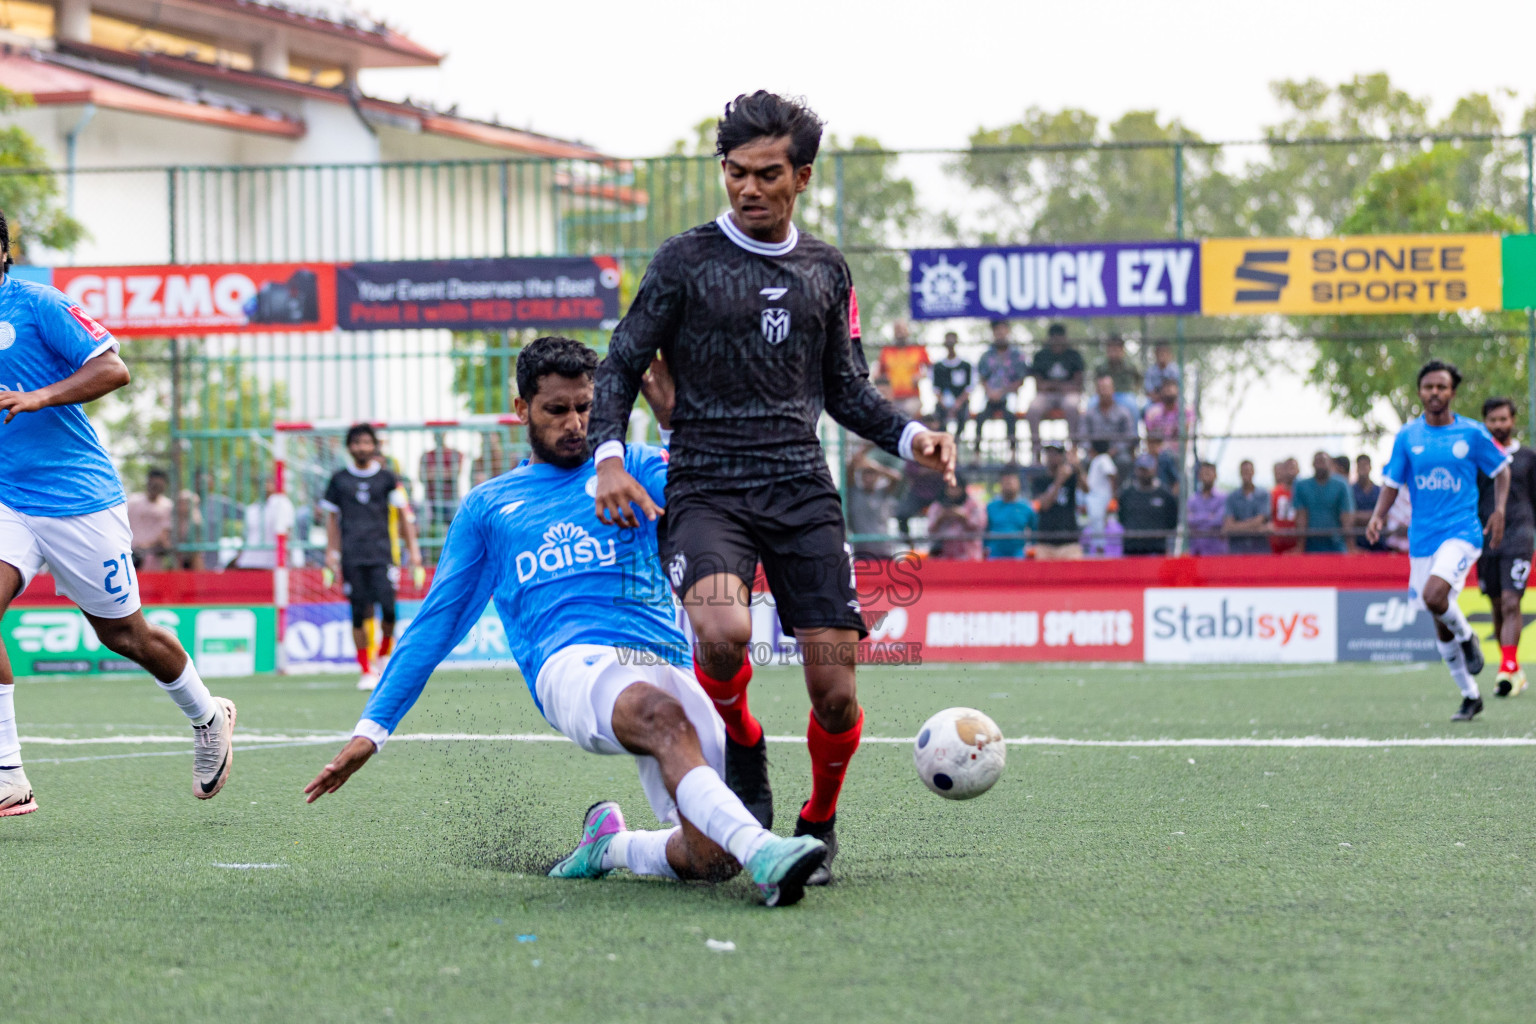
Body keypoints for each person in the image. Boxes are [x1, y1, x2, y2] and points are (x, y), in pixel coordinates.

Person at [304, 337, 829, 907]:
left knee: (711, 859)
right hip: (569, 664)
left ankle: (612, 846)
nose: (576, 423)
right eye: (557, 409)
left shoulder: (635, 467)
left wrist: (674, 429)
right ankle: (765, 852)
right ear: (521, 408)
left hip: (661, 658)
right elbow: (436, 622)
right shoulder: (489, 507)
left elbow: (712, 503)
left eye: (586, 407)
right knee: (661, 716)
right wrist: (373, 729)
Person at [586, 92, 956, 885]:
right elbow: (620, 363)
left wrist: (910, 437)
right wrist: (608, 458)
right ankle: (743, 739)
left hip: (800, 491)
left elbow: (846, 387)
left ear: (802, 177)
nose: (747, 188)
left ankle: (818, 821)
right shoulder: (684, 262)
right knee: (722, 634)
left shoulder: (826, 270)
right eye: (735, 172)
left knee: (835, 692)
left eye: (766, 174)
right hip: (707, 486)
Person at [0, 209, 235, 816]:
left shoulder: (38, 304)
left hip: (78, 500)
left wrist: (39, 397)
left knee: (125, 635)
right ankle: (8, 774)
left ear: (2, 253)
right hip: (8, 500)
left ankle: (208, 716)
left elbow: (114, 368)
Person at [1365, 360, 1510, 722]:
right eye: (1429, 386)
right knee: (1438, 615)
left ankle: (1468, 637)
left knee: (1434, 596)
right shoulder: (1407, 437)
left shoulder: (1472, 433)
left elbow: (1501, 469)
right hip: (1423, 537)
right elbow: (1392, 482)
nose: (1435, 392)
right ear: (1420, 392)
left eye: (1441, 387)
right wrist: (1378, 515)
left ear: (1452, 392)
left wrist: (1499, 510)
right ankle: (1470, 695)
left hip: (1462, 532)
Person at [322, 423, 423, 692]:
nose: (362, 447)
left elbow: (404, 515)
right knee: (359, 612)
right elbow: (331, 519)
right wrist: (331, 552)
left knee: (389, 610)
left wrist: (413, 551)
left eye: (367, 442)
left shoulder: (388, 478)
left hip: (383, 555)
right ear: (349, 447)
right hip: (352, 556)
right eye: (357, 443)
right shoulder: (339, 480)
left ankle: (383, 656)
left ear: (375, 446)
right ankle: (366, 669)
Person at [1478, 397, 1536, 697]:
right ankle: (1513, 670)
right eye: (1493, 420)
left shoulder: (1528, 457)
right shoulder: (1478, 458)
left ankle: (1507, 668)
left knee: (1512, 602)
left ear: (1513, 421)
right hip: (1487, 540)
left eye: (1503, 419)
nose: (1499, 425)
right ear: (1485, 423)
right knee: (1498, 605)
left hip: (1520, 537)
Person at [1025, 323, 1084, 464]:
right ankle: (1036, 452)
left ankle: (1073, 450)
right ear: (1049, 339)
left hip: (1068, 394)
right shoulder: (1041, 355)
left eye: (1060, 338)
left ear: (1065, 338)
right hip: (1047, 395)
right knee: (1033, 409)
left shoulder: (1073, 355)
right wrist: (1061, 385)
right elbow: (1039, 385)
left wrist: (1052, 385)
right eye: (1054, 338)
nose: (1057, 342)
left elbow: (1078, 384)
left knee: (1072, 406)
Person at [974, 321, 1029, 456]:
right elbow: (982, 378)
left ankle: (1012, 453)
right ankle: (976, 454)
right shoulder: (986, 355)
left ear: (1008, 332)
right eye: (997, 331)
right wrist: (990, 392)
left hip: (1010, 395)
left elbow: (1020, 380)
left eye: (1002, 330)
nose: (1000, 334)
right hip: (989, 395)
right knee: (979, 416)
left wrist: (1003, 391)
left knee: (1011, 416)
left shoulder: (1017, 355)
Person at [1293, 450, 1355, 554]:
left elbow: (1346, 516)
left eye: (1323, 461)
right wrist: (1300, 547)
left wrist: (1350, 546)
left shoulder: (1341, 485)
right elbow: (1301, 516)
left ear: (1330, 463)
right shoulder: (1301, 486)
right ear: (1312, 464)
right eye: (1317, 461)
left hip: (1336, 545)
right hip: (1310, 545)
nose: (1320, 465)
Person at [1118, 454, 1179, 556]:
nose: (1143, 473)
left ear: (1154, 469)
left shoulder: (1165, 495)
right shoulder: (1127, 494)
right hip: (1132, 549)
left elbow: (1172, 521)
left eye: (1146, 469)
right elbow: (1121, 517)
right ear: (1136, 470)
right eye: (1141, 469)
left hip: (1157, 549)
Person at [1080, 372, 1138, 475]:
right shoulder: (1089, 414)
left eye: (1106, 388)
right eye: (1101, 389)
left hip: (1117, 453)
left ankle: (1120, 486)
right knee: (1084, 462)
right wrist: (1091, 451)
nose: (1104, 392)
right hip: (1094, 453)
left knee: (1124, 461)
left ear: (1113, 390)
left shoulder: (1123, 413)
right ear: (1097, 391)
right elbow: (1083, 436)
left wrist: (1114, 451)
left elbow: (1129, 436)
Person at [1030, 446, 1082, 560]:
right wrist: (1059, 480)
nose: (1052, 457)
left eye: (1056, 453)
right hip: (1045, 543)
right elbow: (1044, 505)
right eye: (1049, 453)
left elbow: (1087, 489)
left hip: (1069, 542)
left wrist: (1078, 468)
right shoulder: (1040, 480)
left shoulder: (1071, 477)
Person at [845, 456, 900, 560]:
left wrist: (875, 467)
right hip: (862, 551)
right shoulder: (854, 493)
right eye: (866, 474)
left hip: (884, 550)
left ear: (878, 476)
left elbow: (897, 477)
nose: (869, 478)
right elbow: (850, 469)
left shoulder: (883, 493)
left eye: (872, 474)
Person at [875, 321, 930, 417]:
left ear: (908, 331)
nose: (900, 332)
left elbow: (930, 368)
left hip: (912, 397)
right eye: (897, 329)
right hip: (892, 398)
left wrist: (920, 375)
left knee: (906, 413)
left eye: (902, 329)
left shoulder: (917, 348)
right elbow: (878, 373)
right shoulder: (887, 350)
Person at [126, 467, 174, 571]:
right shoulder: (132, 501)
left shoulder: (167, 506)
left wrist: (148, 546)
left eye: (159, 485)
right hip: (130, 553)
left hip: (154, 556)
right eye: (154, 484)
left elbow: (165, 533)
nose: (156, 488)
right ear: (148, 482)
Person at [927, 475, 984, 560]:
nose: (953, 491)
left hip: (968, 556)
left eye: (957, 488)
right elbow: (930, 530)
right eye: (950, 488)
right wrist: (941, 518)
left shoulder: (974, 504)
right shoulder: (937, 506)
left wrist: (964, 517)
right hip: (943, 557)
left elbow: (980, 527)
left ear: (962, 488)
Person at [984, 467, 1036, 559]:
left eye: (1012, 481)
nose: (1009, 484)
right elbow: (985, 530)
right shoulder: (990, 507)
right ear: (1000, 483)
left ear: (1018, 484)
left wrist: (1030, 548)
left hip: (1019, 555)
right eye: (1006, 482)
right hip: (995, 555)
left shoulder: (1027, 508)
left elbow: (1034, 530)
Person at [931, 332, 973, 441]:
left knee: (963, 415)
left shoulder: (966, 365)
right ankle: (944, 442)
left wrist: (958, 403)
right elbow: (936, 390)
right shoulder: (938, 366)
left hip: (961, 403)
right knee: (937, 417)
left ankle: (956, 441)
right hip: (943, 404)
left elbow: (969, 388)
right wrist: (943, 404)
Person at [419, 431, 464, 532]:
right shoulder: (426, 455)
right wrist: (445, 472)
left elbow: (454, 473)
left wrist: (433, 472)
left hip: (451, 499)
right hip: (431, 500)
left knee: (455, 529)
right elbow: (422, 477)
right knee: (427, 530)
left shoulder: (455, 454)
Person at [1223, 460, 1270, 554]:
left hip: (1259, 550)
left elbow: (1260, 519)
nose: (1246, 474)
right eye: (1244, 471)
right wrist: (1258, 528)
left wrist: (1236, 527)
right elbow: (1228, 525)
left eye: (1248, 471)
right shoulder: (1232, 496)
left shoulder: (1263, 494)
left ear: (1253, 472)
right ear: (1240, 473)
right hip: (1237, 551)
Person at [1093, 334, 1142, 421]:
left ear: (1122, 351)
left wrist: (1134, 390)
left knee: (1132, 405)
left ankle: (1132, 430)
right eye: (1111, 350)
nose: (1113, 353)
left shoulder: (1130, 367)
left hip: (1124, 395)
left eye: (1116, 350)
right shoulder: (1101, 368)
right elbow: (1096, 382)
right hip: (1104, 395)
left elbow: (1139, 380)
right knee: (1091, 404)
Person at [1082, 439, 1118, 555]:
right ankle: (1098, 550)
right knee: (1095, 524)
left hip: (1101, 497)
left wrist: (1113, 497)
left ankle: (1101, 551)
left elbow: (1111, 475)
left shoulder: (1103, 458)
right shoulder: (1097, 460)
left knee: (1100, 524)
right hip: (1094, 497)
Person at [1187, 462, 1228, 555]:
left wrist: (1197, 518)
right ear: (1199, 476)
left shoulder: (1223, 498)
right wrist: (1209, 516)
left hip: (1217, 552)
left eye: (1209, 473)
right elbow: (1189, 520)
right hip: (1196, 551)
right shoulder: (1192, 499)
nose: (1206, 477)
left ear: (1215, 475)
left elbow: (1219, 520)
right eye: (1204, 473)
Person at [1352, 454, 1384, 551]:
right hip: (1358, 542)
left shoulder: (1379, 491)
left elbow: (1385, 516)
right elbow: (1350, 517)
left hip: (1378, 542)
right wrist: (1374, 517)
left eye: (1365, 465)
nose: (1363, 468)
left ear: (1370, 467)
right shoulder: (1350, 491)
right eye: (1360, 465)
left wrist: (1374, 518)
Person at [1270, 458, 1298, 555]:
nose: (1291, 472)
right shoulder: (1274, 493)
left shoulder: (1302, 493)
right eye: (1288, 468)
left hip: (1297, 543)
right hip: (1277, 543)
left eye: (1293, 468)